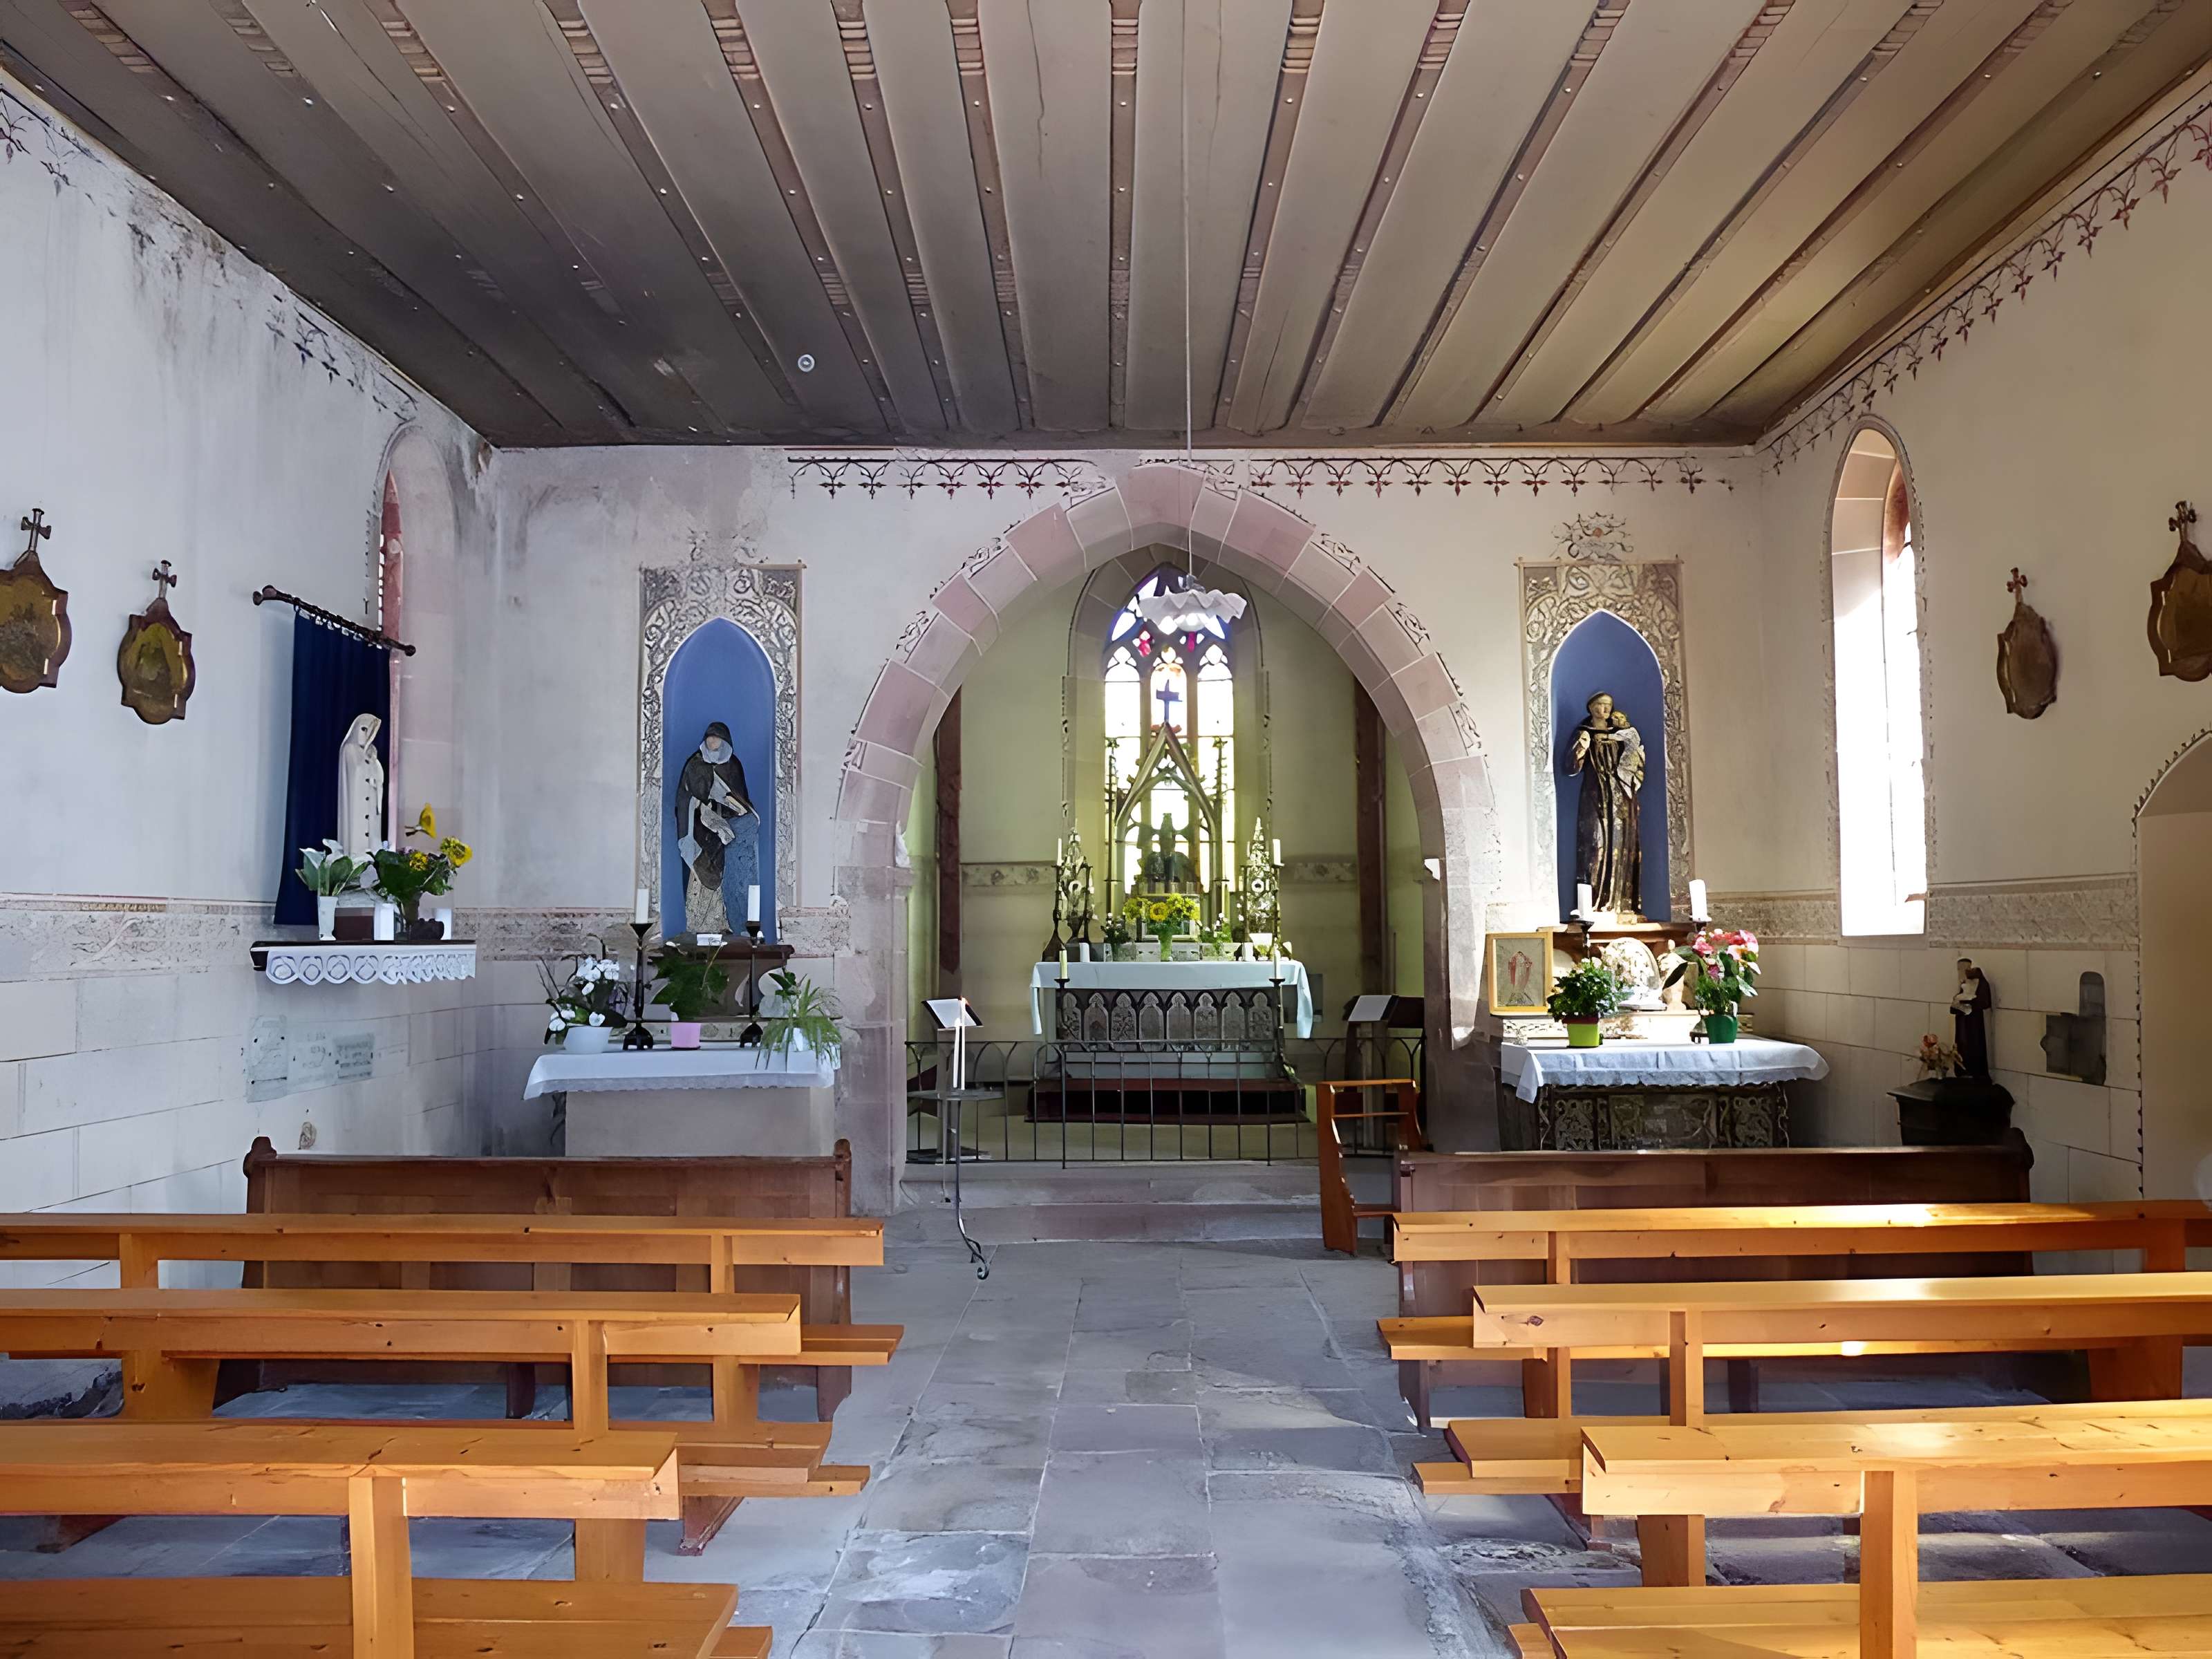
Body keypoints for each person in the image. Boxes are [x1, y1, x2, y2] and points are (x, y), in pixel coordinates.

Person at [1566, 691, 1645, 917]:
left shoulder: (1621, 734)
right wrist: (1582, 746)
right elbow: (1571, 767)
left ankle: (1621, 903)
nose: (1605, 710)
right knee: (1596, 846)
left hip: (1621, 797)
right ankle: (1593, 905)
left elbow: (1635, 760)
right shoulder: (1585, 733)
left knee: (1621, 847)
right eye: (1600, 705)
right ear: (1591, 708)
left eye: (1608, 705)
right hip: (1595, 795)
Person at [675, 721, 756, 935]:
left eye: (717, 738)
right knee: (702, 871)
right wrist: (705, 809)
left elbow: (741, 797)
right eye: (710, 738)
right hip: (700, 827)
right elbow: (685, 799)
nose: (713, 742)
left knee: (727, 869)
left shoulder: (733, 765)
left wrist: (736, 807)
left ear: (724, 742)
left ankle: (723, 922)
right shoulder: (695, 764)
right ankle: (699, 925)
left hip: (727, 828)